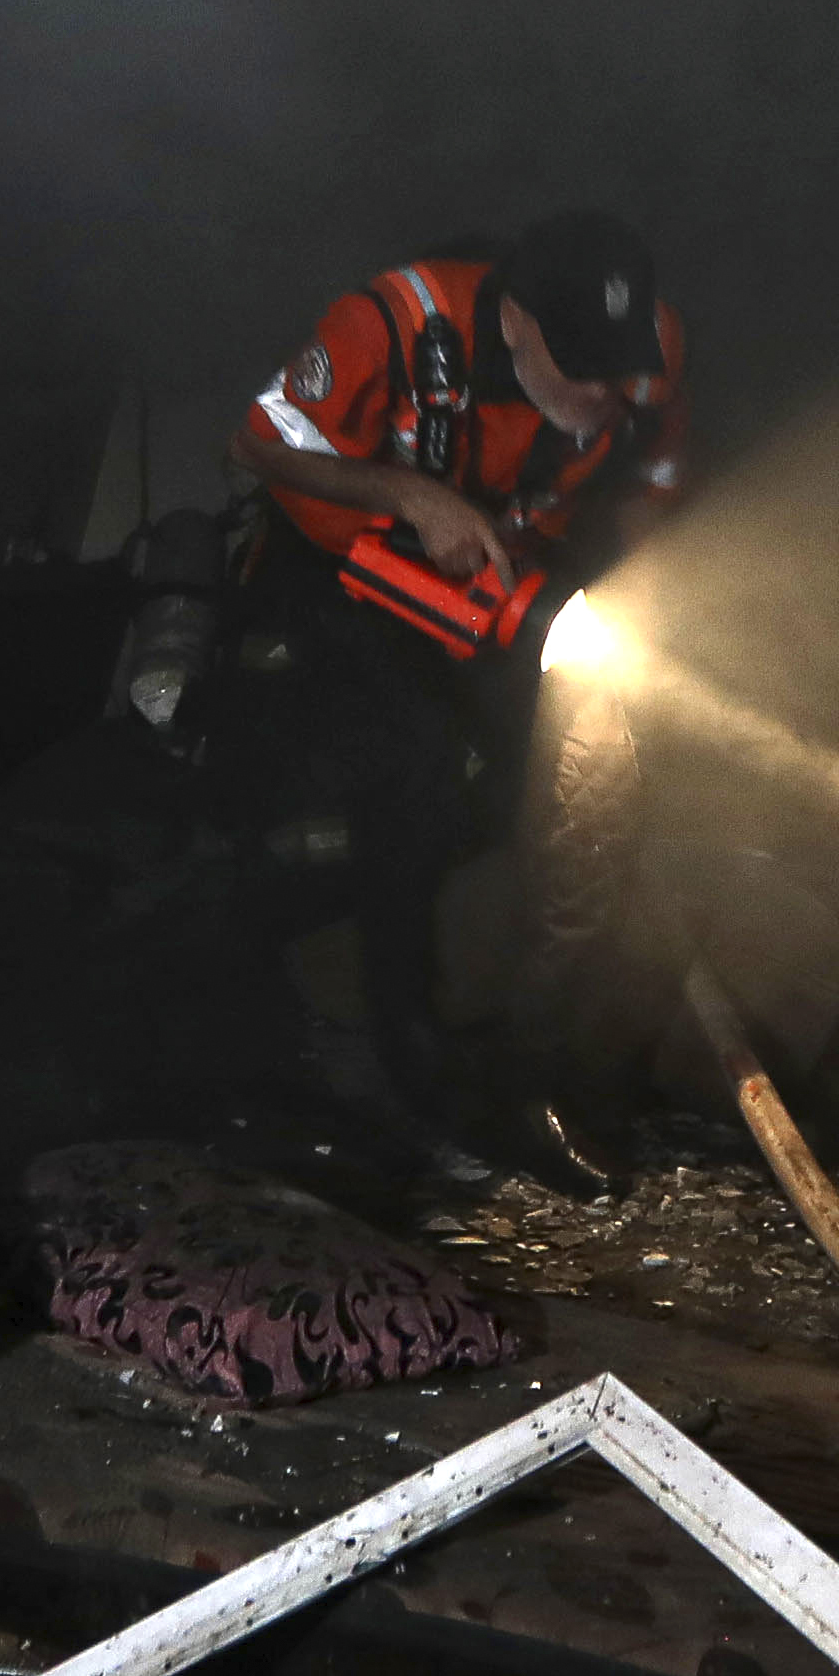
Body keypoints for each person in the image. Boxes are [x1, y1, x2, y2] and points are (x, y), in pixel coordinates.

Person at [221, 209, 690, 1137]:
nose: (607, 389)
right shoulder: (395, 320)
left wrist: (642, 602)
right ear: (515, 321)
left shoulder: (653, 351)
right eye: (580, 365)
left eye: (618, 362)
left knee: (571, 772)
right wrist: (411, 492)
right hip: (346, 565)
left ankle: (540, 1043)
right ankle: (405, 1043)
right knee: (414, 768)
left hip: (504, 577)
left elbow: (651, 488)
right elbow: (257, 443)